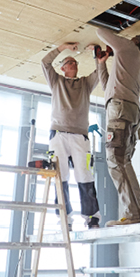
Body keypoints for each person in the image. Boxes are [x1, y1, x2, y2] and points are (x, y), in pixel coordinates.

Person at [95, 27, 140, 226]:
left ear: (136, 41)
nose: (129, 37)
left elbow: (100, 31)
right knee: (122, 161)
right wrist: (101, 63)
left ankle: (134, 214)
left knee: (116, 161)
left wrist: (112, 46)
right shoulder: (131, 61)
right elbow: (106, 87)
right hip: (125, 110)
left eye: (132, 37)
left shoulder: (129, 48)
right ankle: (137, 213)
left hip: (120, 110)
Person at [41, 42, 101, 229]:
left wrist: (97, 55)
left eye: (75, 63)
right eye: (69, 62)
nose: (74, 64)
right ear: (63, 67)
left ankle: (92, 218)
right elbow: (44, 63)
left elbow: (99, 73)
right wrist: (62, 48)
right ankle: (64, 219)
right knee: (61, 176)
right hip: (58, 133)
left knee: (84, 175)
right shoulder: (56, 81)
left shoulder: (85, 83)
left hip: (79, 135)